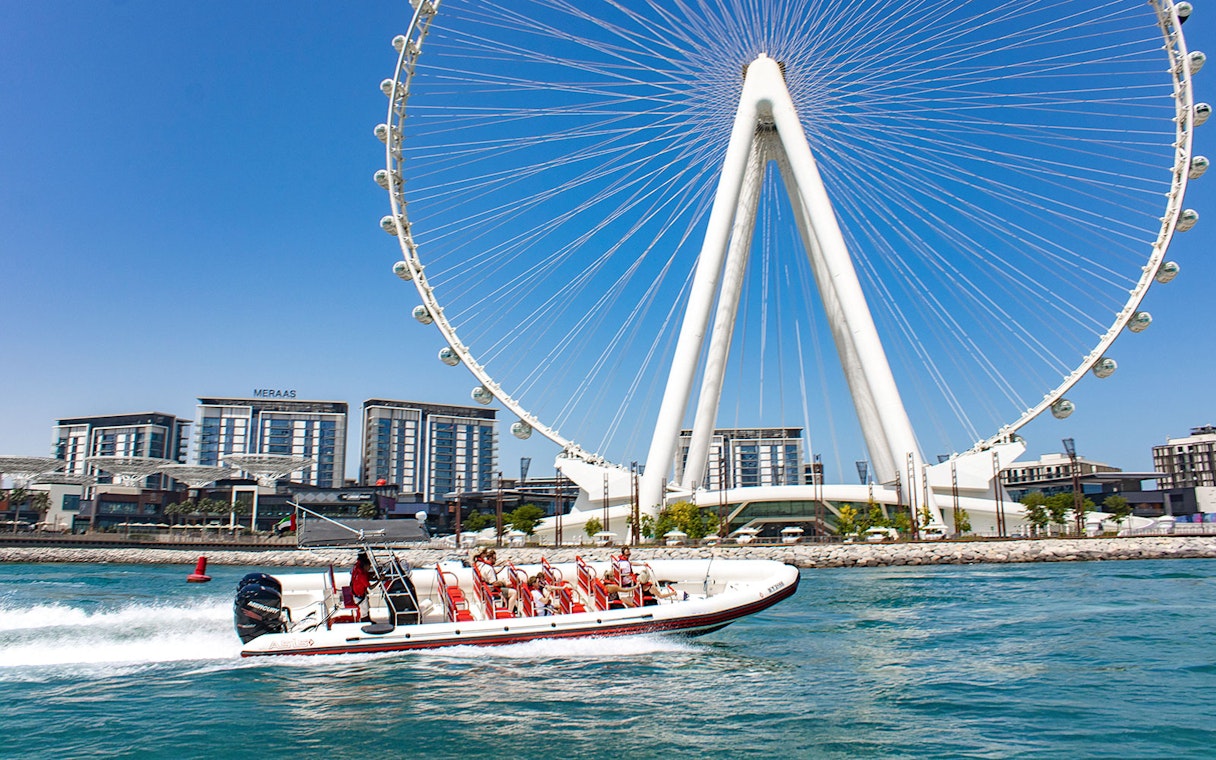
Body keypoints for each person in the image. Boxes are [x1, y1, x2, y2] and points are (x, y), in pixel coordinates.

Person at [475, 549, 519, 615]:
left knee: (505, 583)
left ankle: (509, 606)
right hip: (492, 589)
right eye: (494, 559)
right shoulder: (489, 568)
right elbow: (494, 583)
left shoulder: (482, 565)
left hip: (486, 587)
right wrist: (504, 583)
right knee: (514, 592)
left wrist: (503, 565)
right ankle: (509, 612)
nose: (495, 561)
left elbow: (494, 572)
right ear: (490, 558)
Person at [350, 551, 378, 622]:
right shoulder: (361, 575)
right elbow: (370, 587)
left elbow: (367, 576)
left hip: (357, 591)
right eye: (369, 566)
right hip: (359, 595)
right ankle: (365, 622)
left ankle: (367, 620)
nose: (370, 567)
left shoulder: (358, 568)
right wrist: (380, 580)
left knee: (366, 608)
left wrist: (374, 574)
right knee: (364, 611)